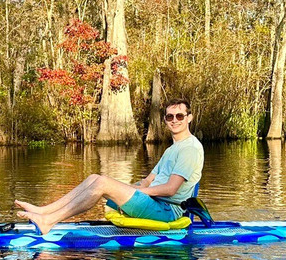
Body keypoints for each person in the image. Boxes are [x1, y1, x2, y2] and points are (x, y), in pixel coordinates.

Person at [15, 98, 204, 235]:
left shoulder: (190, 149)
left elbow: (171, 189)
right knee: (95, 179)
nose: (174, 120)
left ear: (189, 118)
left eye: (179, 116)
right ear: (165, 120)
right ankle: (44, 211)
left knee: (102, 183)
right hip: (154, 203)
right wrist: (126, 190)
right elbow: (147, 181)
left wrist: (136, 192)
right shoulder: (172, 149)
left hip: (168, 211)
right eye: (170, 116)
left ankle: (49, 221)